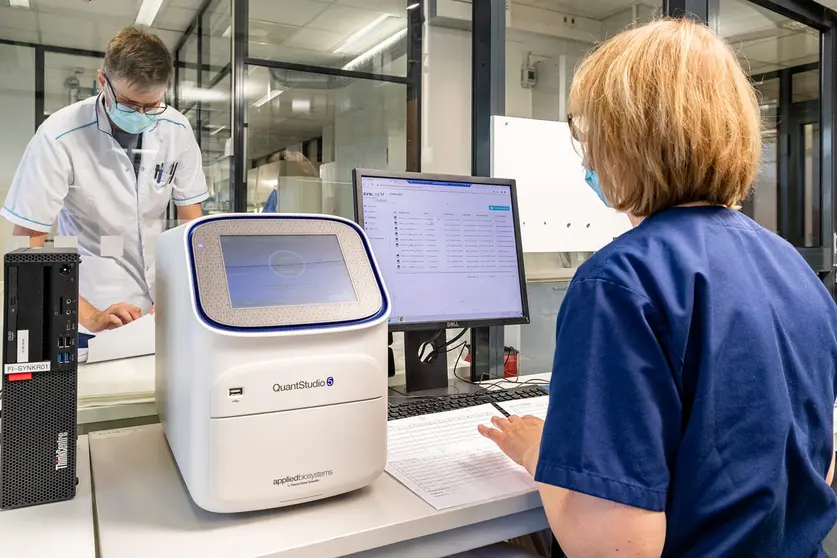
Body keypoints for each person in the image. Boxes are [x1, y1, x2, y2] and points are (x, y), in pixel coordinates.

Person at [479, 18, 837, 557]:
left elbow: (616, 549)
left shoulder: (618, 283)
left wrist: (540, 451)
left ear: (621, 141)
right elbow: (821, 462)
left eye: (589, 137)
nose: (587, 159)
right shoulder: (794, 268)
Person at [2, 27, 207, 333]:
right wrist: (90, 316)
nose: (141, 114)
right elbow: (26, 245)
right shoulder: (59, 136)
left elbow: (193, 227)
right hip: (89, 297)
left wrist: (188, 293)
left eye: (151, 106)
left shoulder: (176, 129)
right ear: (102, 81)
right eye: (128, 104)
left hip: (159, 301)